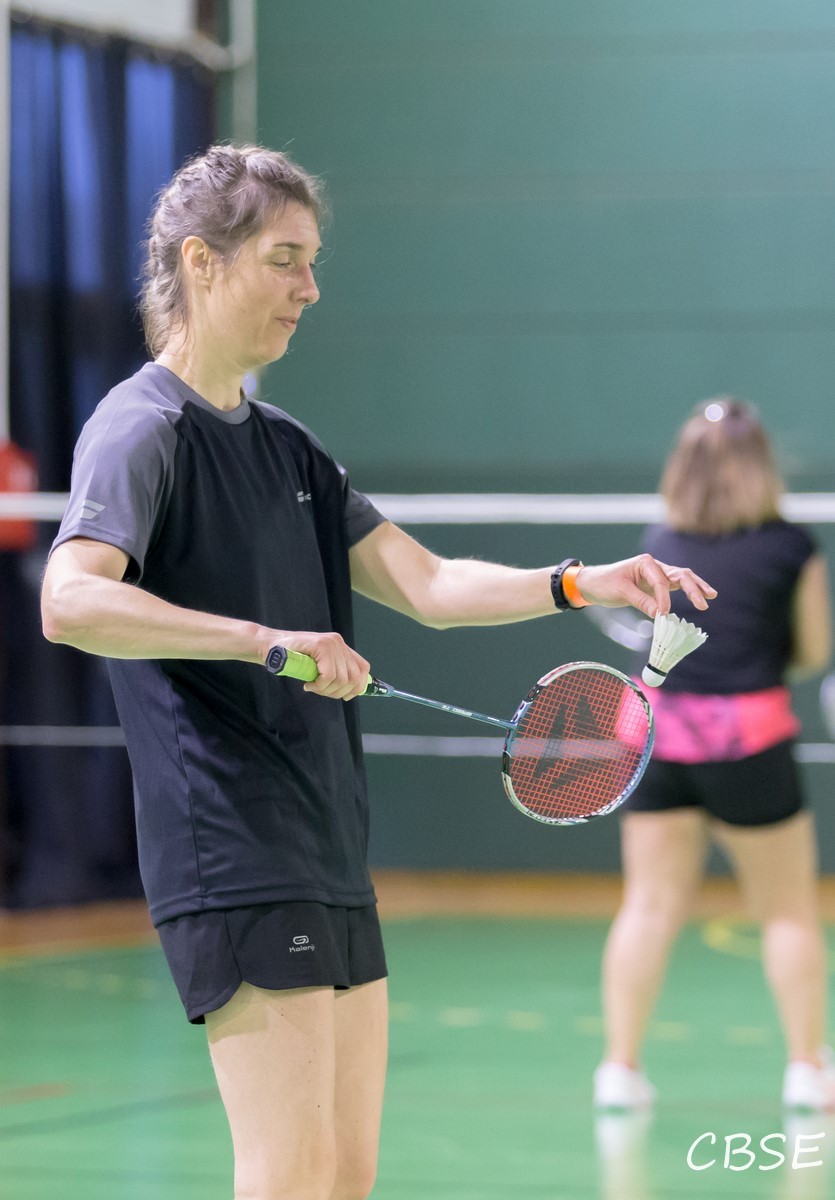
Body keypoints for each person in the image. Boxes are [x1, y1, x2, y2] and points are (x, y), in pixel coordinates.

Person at [40, 143, 716, 1200]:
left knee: (345, 1179)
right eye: (285, 259)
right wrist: (265, 640)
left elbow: (434, 585)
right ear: (202, 264)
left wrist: (581, 582)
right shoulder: (142, 429)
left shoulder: (289, 446)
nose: (310, 288)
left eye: (314, 261)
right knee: (286, 1177)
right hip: (231, 845)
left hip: (327, 842)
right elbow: (70, 599)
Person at [594, 397, 832, 1113]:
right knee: (787, 909)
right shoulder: (791, 547)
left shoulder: (658, 539)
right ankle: (803, 1071)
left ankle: (619, 1070)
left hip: (654, 734)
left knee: (647, 905)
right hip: (746, 741)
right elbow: (815, 650)